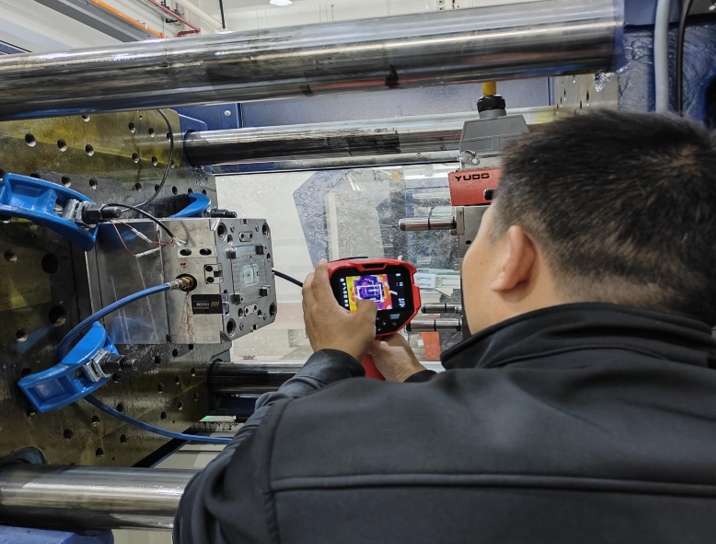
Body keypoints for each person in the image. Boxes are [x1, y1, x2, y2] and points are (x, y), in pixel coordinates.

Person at [174, 111, 716, 544]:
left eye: (481, 237)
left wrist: (327, 364)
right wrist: (417, 383)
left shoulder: (316, 454)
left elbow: (209, 518)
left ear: (515, 258)